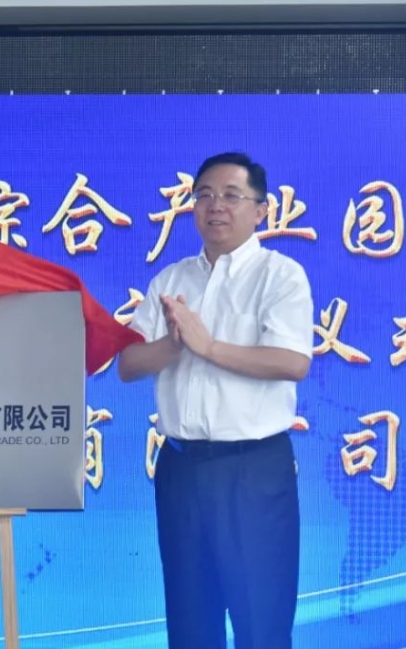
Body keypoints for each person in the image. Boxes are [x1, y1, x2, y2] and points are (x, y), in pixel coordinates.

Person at [119, 152, 313, 649]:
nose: (215, 206)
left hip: (253, 471)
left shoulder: (280, 276)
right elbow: (128, 364)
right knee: (190, 624)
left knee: (261, 624)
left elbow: (292, 361)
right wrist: (173, 345)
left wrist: (207, 347)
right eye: (204, 195)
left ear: (261, 210)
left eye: (231, 195)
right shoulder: (171, 280)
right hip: (181, 469)